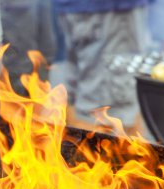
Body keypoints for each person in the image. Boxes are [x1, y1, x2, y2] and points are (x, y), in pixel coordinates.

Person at [53, 0, 153, 132]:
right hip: (110, 11)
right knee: (110, 114)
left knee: (81, 97)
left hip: (78, 9)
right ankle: (94, 149)